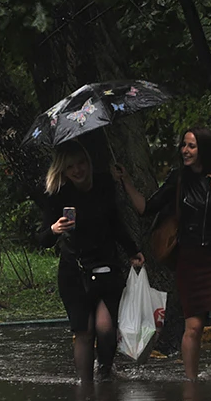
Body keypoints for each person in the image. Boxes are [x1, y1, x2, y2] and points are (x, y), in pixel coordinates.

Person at [118, 127, 211, 379]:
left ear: (204, 149)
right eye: (184, 145)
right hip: (190, 260)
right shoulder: (178, 178)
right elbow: (146, 207)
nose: (185, 151)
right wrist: (126, 182)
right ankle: (191, 383)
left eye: (191, 146)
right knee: (194, 326)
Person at [39, 140, 145, 382]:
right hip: (75, 270)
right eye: (71, 167)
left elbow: (116, 223)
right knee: (84, 332)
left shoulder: (104, 184)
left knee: (106, 328)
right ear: (63, 171)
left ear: (88, 162)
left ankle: (105, 375)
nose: (78, 170)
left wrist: (131, 250)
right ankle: (84, 387)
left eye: (81, 163)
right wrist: (54, 229)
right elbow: (42, 238)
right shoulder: (58, 195)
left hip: (107, 265)